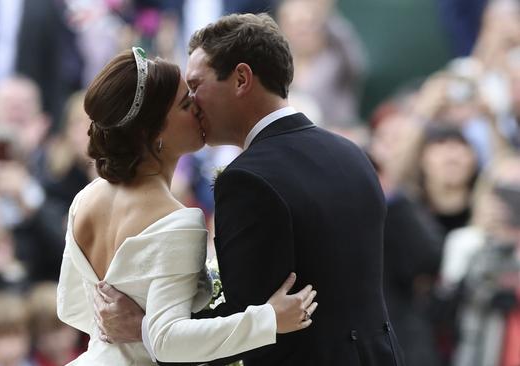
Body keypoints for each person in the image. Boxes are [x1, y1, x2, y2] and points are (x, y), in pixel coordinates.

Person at [94, 13, 405, 365]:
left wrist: (145, 330)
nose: (192, 102)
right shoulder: (352, 153)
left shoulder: (247, 180)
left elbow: (251, 323)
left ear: (241, 78)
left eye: (196, 85)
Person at [56, 47, 318, 366]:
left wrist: (130, 332)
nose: (197, 108)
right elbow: (168, 341)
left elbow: (70, 307)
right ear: (152, 134)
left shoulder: (88, 197)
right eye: (184, 104)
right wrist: (268, 320)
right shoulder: (177, 221)